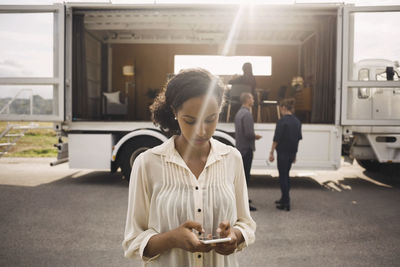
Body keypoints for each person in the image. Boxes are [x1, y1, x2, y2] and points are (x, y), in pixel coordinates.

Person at [122, 68, 256, 267]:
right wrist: (172, 239)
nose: (201, 131)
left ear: (220, 110)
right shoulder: (147, 163)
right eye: (190, 121)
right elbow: (134, 242)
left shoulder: (232, 158)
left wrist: (234, 236)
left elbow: (246, 224)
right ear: (175, 113)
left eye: (210, 119)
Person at [269, 98, 302, 211]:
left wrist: (271, 152)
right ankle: (284, 198)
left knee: (283, 177)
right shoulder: (297, 121)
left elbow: (276, 139)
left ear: (283, 108)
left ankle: (286, 203)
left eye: (280, 109)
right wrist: (295, 155)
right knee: (286, 175)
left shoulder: (282, 121)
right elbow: (297, 139)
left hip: (282, 153)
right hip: (291, 153)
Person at [234, 92, 262, 211]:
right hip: (247, 149)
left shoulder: (239, 113)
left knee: (241, 177)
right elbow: (249, 134)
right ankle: (244, 204)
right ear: (247, 100)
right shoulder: (247, 114)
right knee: (245, 177)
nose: (254, 100)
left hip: (240, 147)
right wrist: (256, 136)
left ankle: (243, 199)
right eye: (252, 98)